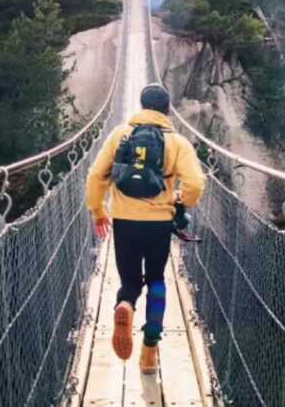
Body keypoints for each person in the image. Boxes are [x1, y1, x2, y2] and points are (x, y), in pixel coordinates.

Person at [85, 84, 206, 374]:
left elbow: (95, 175)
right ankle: (149, 350)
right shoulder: (177, 143)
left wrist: (98, 210)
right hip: (158, 226)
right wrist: (180, 200)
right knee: (156, 281)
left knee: (130, 281)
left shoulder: (119, 135)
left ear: (140, 106)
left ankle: (125, 303)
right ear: (167, 109)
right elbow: (195, 185)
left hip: (124, 222)